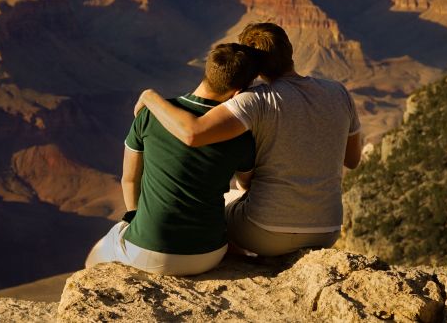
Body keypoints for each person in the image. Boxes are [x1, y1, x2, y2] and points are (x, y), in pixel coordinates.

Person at [135, 23, 362, 257]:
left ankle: (239, 261)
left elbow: (193, 132)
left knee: (220, 207)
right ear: (290, 50)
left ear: (251, 66)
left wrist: (150, 97)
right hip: (327, 231)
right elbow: (353, 160)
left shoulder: (255, 100)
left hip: (265, 233)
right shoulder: (339, 92)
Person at [85, 43, 260, 275]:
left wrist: (137, 221)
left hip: (147, 252)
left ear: (207, 72)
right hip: (209, 255)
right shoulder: (240, 134)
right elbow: (247, 185)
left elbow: (129, 179)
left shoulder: (150, 114)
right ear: (238, 93)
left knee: (92, 261)